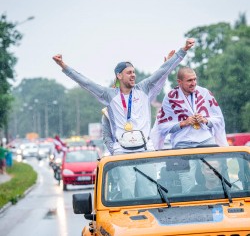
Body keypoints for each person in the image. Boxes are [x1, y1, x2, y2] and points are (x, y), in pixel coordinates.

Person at [52, 39, 195, 198]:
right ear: (119, 75)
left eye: (134, 72)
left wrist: (183, 51)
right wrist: (63, 66)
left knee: (149, 193)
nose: (133, 75)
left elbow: (162, 72)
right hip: (122, 153)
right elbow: (85, 82)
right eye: (129, 72)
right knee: (127, 194)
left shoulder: (144, 89)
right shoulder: (108, 95)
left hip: (145, 149)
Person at [151, 66, 228, 193]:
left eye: (195, 79)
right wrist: (183, 123)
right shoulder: (170, 97)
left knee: (214, 172)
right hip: (183, 144)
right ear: (179, 82)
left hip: (205, 141)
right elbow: (162, 126)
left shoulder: (204, 93)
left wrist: (206, 120)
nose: (194, 83)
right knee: (187, 181)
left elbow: (218, 118)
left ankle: (218, 202)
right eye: (189, 81)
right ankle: (191, 210)